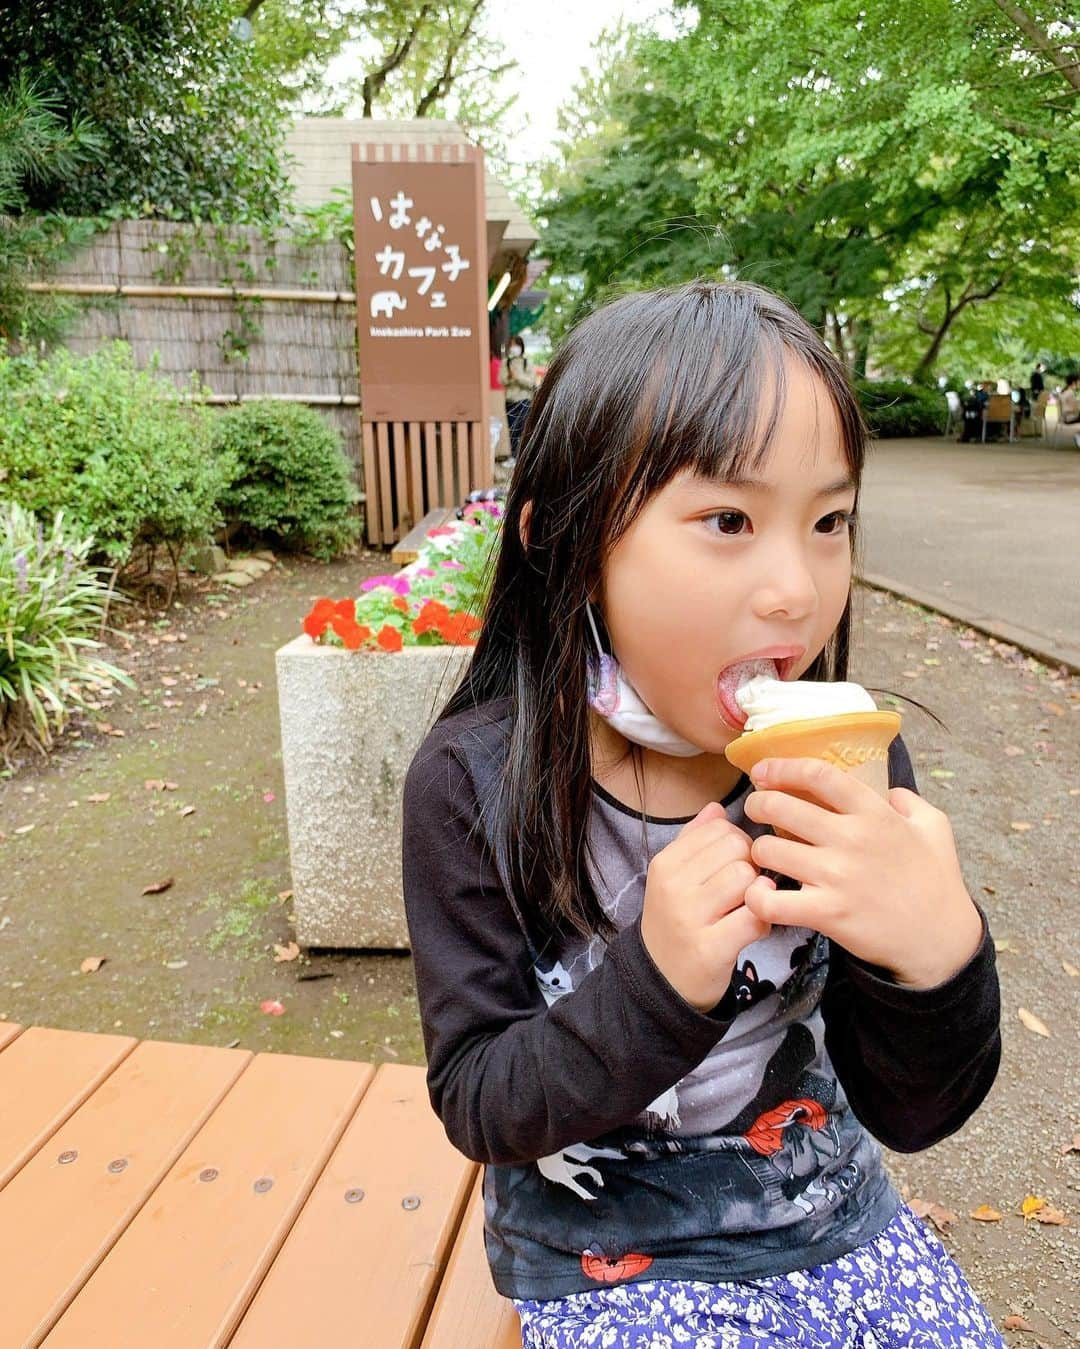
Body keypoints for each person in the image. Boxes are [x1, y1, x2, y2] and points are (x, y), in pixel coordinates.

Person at [402, 280, 1003, 1348]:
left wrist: (938, 956)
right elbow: (481, 1098)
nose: (795, 591)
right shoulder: (475, 784)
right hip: (607, 1256)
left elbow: (911, 1111)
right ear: (569, 544)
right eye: (728, 519)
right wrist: (655, 980)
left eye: (828, 521)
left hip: (830, 1218)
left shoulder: (847, 764)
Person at [501, 334, 539, 467]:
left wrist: (518, 377)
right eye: (511, 345)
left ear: (521, 346)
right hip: (510, 401)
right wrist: (511, 378)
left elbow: (532, 382)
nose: (513, 348)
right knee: (512, 430)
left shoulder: (527, 362)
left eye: (516, 345)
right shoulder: (506, 362)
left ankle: (524, 457)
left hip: (524, 400)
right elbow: (502, 379)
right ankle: (513, 457)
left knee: (523, 429)